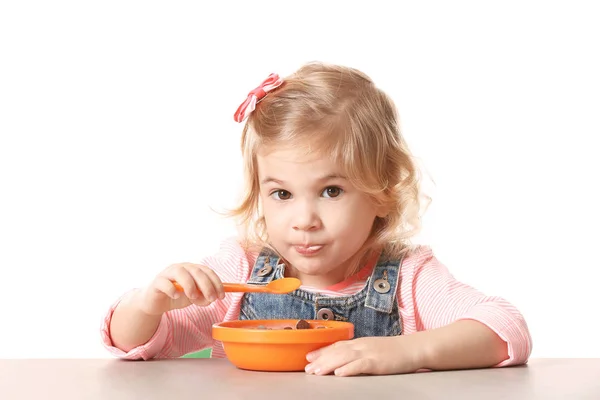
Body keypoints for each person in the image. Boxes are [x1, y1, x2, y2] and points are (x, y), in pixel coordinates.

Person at [101, 61, 532, 376]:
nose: (304, 219)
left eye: (331, 191)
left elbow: (504, 329)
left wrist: (407, 351)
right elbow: (136, 344)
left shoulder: (409, 278)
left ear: (382, 191)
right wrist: (148, 304)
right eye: (282, 193)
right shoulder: (241, 269)